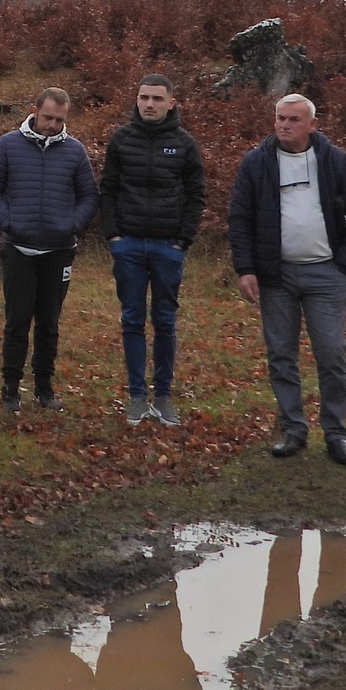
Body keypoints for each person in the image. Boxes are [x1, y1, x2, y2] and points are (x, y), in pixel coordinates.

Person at [226, 94, 346, 464]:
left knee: (331, 353)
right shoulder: (257, 162)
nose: (284, 125)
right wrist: (246, 269)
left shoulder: (334, 161)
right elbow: (239, 218)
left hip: (326, 273)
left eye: (293, 119)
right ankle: (293, 429)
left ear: (312, 125)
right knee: (281, 356)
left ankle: (336, 433)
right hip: (277, 276)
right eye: (279, 118)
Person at [98, 74, 206, 427]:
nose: (149, 104)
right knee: (132, 319)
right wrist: (113, 236)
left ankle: (163, 395)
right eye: (144, 97)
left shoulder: (184, 143)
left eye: (157, 98)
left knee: (164, 321)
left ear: (171, 102)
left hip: (167, 247)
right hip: (128, 245)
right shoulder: (121, 139)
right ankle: (136, 396)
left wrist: (182, 240)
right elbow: (108, 190)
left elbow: (196, 194)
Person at [0, 86, 98, 413]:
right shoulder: (8, 145)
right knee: (17, 321)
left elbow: (89, 195)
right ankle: (10, 389)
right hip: (19, 249)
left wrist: (72, 224)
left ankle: (44, 388)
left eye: (59, 119)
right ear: (35, 110)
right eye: (48, 117)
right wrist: (9, 222)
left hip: (59, 251)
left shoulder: (75, 151)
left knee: (49, 323)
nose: (52, 124)